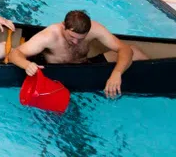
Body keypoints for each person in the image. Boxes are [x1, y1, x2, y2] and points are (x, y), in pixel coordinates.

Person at [8, 10, 147, 99]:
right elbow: (15, 54)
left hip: (85, 67)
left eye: (80, 39)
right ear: (64, 26)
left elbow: (125, 49)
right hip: (59, 76)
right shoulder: (49, 35)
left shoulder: (95, 28)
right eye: (71, 37)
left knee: (136, 51)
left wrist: (117, 73)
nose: (75, 42)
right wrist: (27, 65)